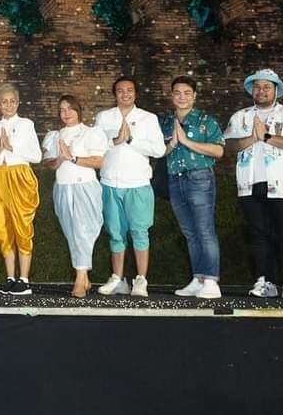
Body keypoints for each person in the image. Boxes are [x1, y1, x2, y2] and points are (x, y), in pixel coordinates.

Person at [224, 69, 283, 301]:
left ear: (276, 90)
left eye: (266, 87)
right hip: (250, 183)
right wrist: (251, 138)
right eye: (257, 86)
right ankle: (265, 281)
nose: (261, 91)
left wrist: (266, 137)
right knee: (259, 234)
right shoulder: (240, 116)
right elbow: (228, 145)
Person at [93, 77, 165, 298]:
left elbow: (159, 150)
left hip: (138, 184)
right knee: (115, 234)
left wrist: (131, 140)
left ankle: (141, 280)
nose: (125, 94)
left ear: (136, 93)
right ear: (114, 94)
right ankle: (118, 279)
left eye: (129, 90)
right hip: (110, 183)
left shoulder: (148, 118)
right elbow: (94, 147)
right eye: (120, 90)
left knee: (139, 232)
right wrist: (115, 140)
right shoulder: (104, 117)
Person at [159, 75, 225, 300]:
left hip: (199, 178)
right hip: (175, 179)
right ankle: (198, 279)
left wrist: (187, 142)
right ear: (171, 96)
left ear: (194, 96)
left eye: (187, 93)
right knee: (190, 232)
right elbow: (159, 152)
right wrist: (172, 144)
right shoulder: (165, 122)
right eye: (177, 93)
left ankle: (211, 281)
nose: (182, 97)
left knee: (205, 230)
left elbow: (219, 150)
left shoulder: (206, 120)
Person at [42, 95, 108, 298]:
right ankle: (84, 277)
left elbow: (99, 162)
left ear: (78, 110)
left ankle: (80, 279)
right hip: (63, 188)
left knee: (83, 231)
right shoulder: (55, 136)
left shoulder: (90, 133)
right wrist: (61, 158)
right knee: (72, 232)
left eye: (70, 108)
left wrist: (73, 157)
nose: (66, 113)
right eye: (62, 110)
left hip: (85, 187)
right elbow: (49, 163)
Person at [0, 83, 41, 297]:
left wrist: (12, 147)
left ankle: (24, 279)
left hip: (20, 176)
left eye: (12, 101)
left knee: (21, 225)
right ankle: (10, 278)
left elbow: (37, 156)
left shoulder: (26, 124)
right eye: (4, 102)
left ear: (18, 103)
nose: (8, 105)